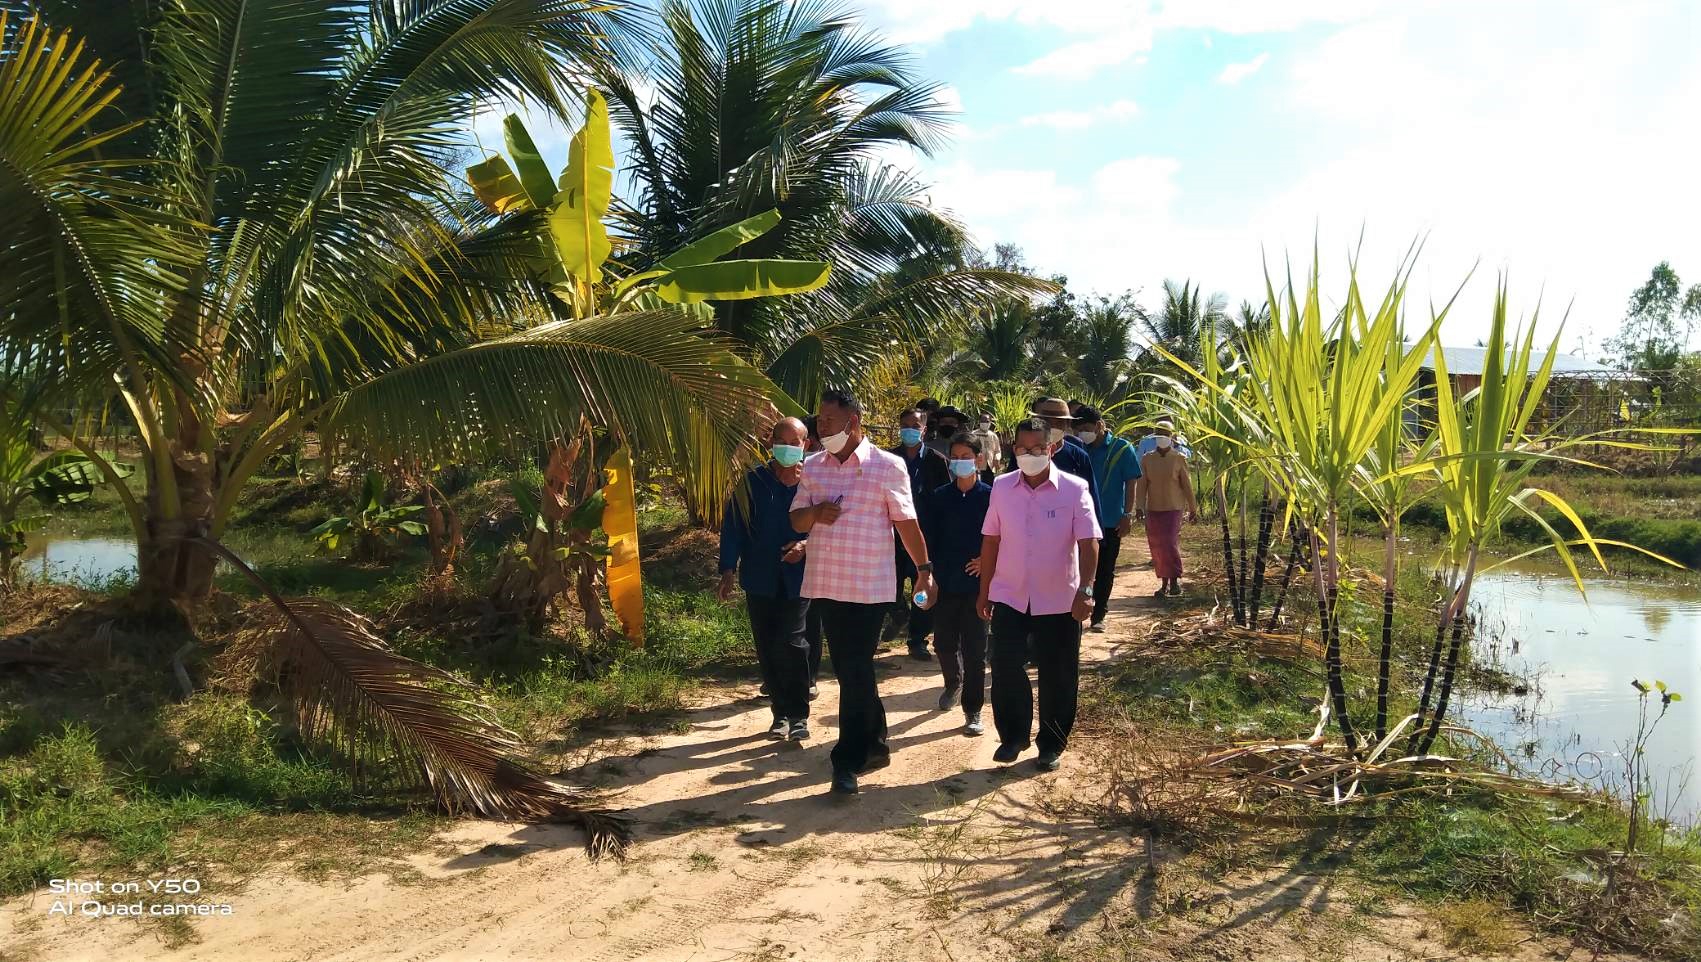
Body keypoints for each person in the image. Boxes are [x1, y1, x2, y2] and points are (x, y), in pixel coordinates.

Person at [791, 389, 936, 796]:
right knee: (851, 669)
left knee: (854, 668)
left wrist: (924, 571)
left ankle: (847, 760)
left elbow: (907, 524)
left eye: (830, 421)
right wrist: (816, 512)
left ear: (853, 423)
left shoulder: (887, 467)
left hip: (871, 587)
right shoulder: (814, 467)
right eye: (819, 420)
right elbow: (798, 521)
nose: (822, 427)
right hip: (826, 583)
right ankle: (874, 743)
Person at [977, 418, 1099, 771]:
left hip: (1059, 597)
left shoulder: (1074, 489)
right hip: (1010, 594)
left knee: (1058, 672)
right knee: (1004, 667)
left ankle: (1051, 743)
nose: (1028, 455)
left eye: (1036, 449)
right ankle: (1013, 736)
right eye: (1022, 449)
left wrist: (1086, 589)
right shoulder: (1001, 487)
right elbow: (991, 539)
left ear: (1052, 449)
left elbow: (1088, 541)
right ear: (1013, 449)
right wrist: (984, 591)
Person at [717, 417, 813, 740]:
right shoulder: (752, 482)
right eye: (780, 442)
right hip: (759, 578)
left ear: (806, 445)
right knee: (768, 646)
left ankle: (799, 714)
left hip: (800, 578)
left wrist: (805, 544)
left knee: (792, 640)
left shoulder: (815, 482)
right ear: (771, 445)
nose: (787, 449)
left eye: (794, 443)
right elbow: (733, 527)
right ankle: (780, 713)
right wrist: (728, 568)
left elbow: (830, 526)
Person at [922, 432, 992, 734]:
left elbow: (1002, 537)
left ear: (978, 459)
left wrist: (987, 561)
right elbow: (927, 540)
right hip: (945, 582)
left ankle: (973, 709)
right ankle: (953, 683)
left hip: (978, 584)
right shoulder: (939, 497)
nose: (961, 462)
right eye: (956, 457)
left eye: (967, 457)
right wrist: (927, 575)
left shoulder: (992, 496)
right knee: (944, 643)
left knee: (976, 650)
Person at [887, 407, 950, 661]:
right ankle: (898, 613)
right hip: (892, 536)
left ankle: (917, 638)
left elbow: (944, 499)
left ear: (924, 429)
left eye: (914, 425)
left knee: (921, 587)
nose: (909, 430)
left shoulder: (936, 461)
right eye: (905, 425)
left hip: (925, 536)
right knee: (890, 585)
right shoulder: (890, 458)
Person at [1074, 406, 1141, 632]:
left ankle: (1099, 614)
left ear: (1100, 425)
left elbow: (1131, 482)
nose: (1083, 433)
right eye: (1079, 429)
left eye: (1086, 428)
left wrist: (1127, 515)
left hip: (1110, 520)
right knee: (1078, 568)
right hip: (1080, 521)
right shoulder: (1078, 449)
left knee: (1104, 569)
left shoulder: (1122, 449)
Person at [1134, 422, 1200, 597]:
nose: (1162, 438)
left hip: (1173, 508)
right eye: (1159, 435)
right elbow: (1142, 486)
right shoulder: (1147, 458)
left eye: (1165, 435)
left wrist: (1193, 509)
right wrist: (1139, 507)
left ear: (1171, 438)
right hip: (1154, 508)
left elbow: (1187, 486)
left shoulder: (1178, 458)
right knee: (1158, 546)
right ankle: (1163, 583)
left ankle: (1174, 581)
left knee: (1169, 543)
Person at [1028, 397, 1102, 532]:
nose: (1052, 426)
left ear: (1067, 424)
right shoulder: (1025, 454)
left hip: (1068, 530)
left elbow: (1091, 497)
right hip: (1030, 528)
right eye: (1047, 422)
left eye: (1058, 422)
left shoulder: (1079, 457)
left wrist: (1096, 535)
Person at [800, 416, 826, 696]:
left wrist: (805, 545)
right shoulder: (772, 475)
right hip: (783, 560)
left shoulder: (826, 473)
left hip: (816, 558)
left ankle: (809, 676)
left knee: (811, 621)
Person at [970, 412, 1002, 481]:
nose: (985, 423)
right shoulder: (973, 435)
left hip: (990, 466)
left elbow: (997, 450)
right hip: (977, 466)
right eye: (983, 421)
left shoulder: (993, 436)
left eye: (987, 421)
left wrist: (997, 459)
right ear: (979, 422)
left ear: (990, 422)